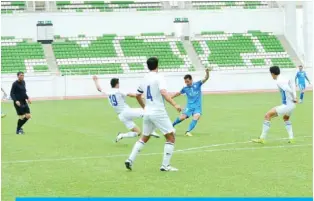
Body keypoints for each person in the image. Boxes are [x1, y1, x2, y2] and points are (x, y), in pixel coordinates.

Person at [125, 57, 181, 172]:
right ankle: (165, 166)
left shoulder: (144, 79)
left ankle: (130, 159)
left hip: (148, 112)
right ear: (157, 65)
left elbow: (137, 95)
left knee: (144, 137)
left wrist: (144, 107)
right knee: (170, 137)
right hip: (158, 111)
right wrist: (175, 104)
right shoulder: (159, 77)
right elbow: (163, 92)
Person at [92, 76, 160, 142]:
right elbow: (130, 95)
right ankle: (151, 131)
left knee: (137, 132)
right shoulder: (118, 90)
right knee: (147, 112)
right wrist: (142, 97)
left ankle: (121, 135)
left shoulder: (108, 91)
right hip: (126, 112)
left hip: (121, 116)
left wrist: (95, 81)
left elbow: (99, 89)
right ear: (117, 84)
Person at [252, 66, 297, 144]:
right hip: (292, 105)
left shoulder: (279, 81)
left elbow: (288, 89)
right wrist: (295, 97)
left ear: (272, 74)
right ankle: (291, 138)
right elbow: (292, 86)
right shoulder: (284, 78)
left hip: (287, 105)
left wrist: (294, 98)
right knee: (286, 118)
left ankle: (262, 138)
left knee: (267, 115)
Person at [171, 68, 210, 137]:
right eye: (185, 82)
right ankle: (172, 125)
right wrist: (171, 97)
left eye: (188, 81)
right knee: (182, 117)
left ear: (191, 80)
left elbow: (206, 78)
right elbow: (179, 93)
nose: (187, 83)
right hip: (189, 106)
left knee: (196, 116)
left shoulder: (198, 84)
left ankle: (188, 131)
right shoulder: (185, 88)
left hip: (197, 106)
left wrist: (207, 72)